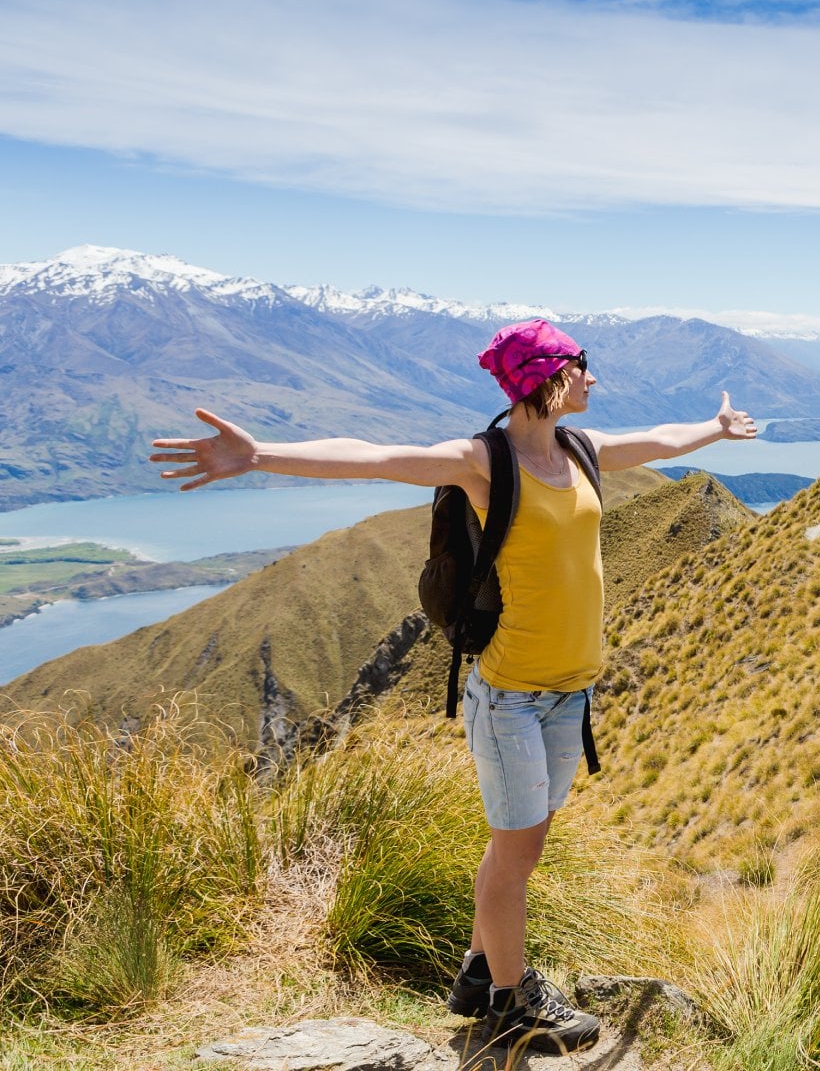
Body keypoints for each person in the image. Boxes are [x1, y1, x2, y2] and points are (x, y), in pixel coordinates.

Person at [149, 319, 757, 1054]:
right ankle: (510, 1001)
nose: (594, 380)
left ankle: (478, 971)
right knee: (518, 859)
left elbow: (660, 440)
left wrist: (715, 429)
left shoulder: (581, 451)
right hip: (512, 698)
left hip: (571, 693)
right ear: (547, 376)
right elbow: (373, 459)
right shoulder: (482, 463)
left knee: (514, 851)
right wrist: (259, 455)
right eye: (583, 366)